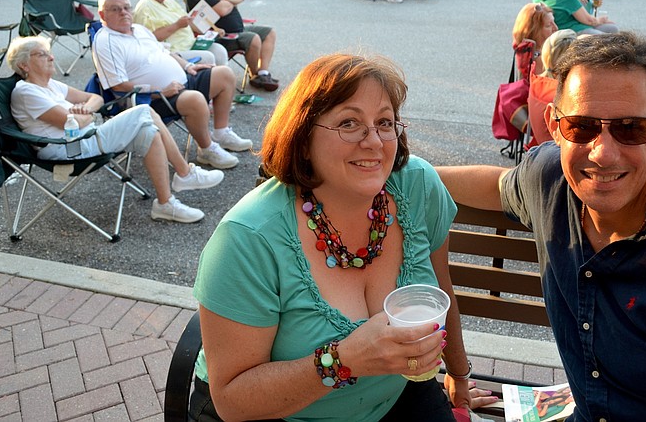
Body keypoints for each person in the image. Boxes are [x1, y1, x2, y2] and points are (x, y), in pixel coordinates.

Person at [437, 31, 646, 421]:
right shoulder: (550, 180)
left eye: (631, 127)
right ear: (553, 125)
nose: (603, 153)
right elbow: (497, 185)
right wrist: (396, 171)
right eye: (581, 127)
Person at [190, 53, 499, 422]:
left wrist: (460, 376)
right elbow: (232, 400)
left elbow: (440, 292)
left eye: (385, 122)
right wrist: (345, 359)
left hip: (396, 395)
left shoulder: (416, 187)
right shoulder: (247, 238)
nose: (374, 141)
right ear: (302, 138)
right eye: (349, 123)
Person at [7, 36, 224, 224]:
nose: (51, 57)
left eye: (49, 53)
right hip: (65, 149)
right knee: (143, 112)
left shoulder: (51, 86)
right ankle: (184, 173)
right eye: (42, 54)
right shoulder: (26, 91)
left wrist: (85, 111)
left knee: (148, 131)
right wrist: (85, 116)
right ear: (24, 65)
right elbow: (67, 122)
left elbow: (95, 98)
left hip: (85, 137)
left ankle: (165, 204)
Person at [92, 0, 252, 171]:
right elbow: (117, 85)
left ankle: (221, 133)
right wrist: (156, 91)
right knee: (195, 99)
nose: (123, 12)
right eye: (115, 9)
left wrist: (187, 66)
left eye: (126, 7)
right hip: (150, 99)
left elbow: (165, 52)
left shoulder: (139, 30)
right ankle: (206, 149)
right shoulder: (106, 41)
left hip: (180, 83)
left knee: (224, 74)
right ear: (102, 14)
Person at [183, 0, 280, 91]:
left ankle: (263, 73)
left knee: (269, 32)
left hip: (238, 29)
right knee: (253, 38)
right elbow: (221, 10)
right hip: (220, 35)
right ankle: (255, 76)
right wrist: (231, 0)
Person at [133, 0, 229, 67]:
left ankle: (223, 80)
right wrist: (177, 25)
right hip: (172, 51)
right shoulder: (144, 7)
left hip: (190, 43)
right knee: (207, 57)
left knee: (220, 51)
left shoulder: (168, 1)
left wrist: (212, 31)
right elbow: (150, 38)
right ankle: (210, 80)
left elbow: (188, 21)